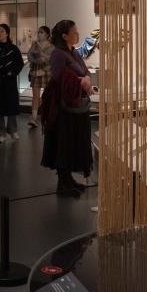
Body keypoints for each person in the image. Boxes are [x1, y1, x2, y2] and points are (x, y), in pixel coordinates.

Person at [40, 19, 93, 197]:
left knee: (74, 142)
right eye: (74, 32)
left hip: (77, 105)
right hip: (64, 108)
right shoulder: (58, 54)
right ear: (64, 36)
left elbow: (85, 71)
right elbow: (59, 77)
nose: (78, 34)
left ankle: (68, 180)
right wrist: (81, 81)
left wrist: (86, 79)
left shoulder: (74, 52)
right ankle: (63, 183)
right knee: (64, 143)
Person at [0, 23, 24, 142]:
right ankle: (0, 133)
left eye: (2, 31)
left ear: (7, 33)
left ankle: (12, 130)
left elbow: (19, 63)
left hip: (9, 82)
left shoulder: (13, 49)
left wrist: (12, 72)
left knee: (11, 106)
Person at [27, 25, 54, 128]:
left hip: (47, 74)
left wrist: (43, 68)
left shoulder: (52, 47)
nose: (39, 34)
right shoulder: (35, 44)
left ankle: (48, 117)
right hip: (35, 72)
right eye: (38, 32)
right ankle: (33, 118)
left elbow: (51, 61)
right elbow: (30, 56)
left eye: (41, 32)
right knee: (35, 96)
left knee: (48, 96)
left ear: (47, 34)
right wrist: (39, 59)